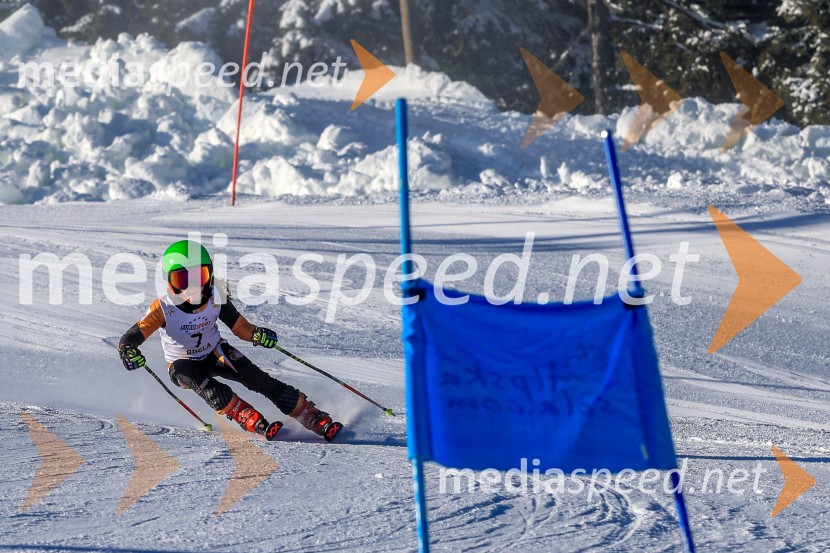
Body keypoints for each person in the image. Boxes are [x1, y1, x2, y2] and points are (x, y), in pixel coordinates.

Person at [118, 240, 342, 442]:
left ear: (210, 276)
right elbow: (133, 336)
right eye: (182, 279)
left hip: (215, 352)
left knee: (256, 378)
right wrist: (128, 350)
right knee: (206, 385)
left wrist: (256, 334)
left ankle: (307, 413)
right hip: (182, 364)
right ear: (170, 282)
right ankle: (241, 412)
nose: (191, 287)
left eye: (199, 277)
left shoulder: (217, 295)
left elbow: (239, 326)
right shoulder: (164, 308)